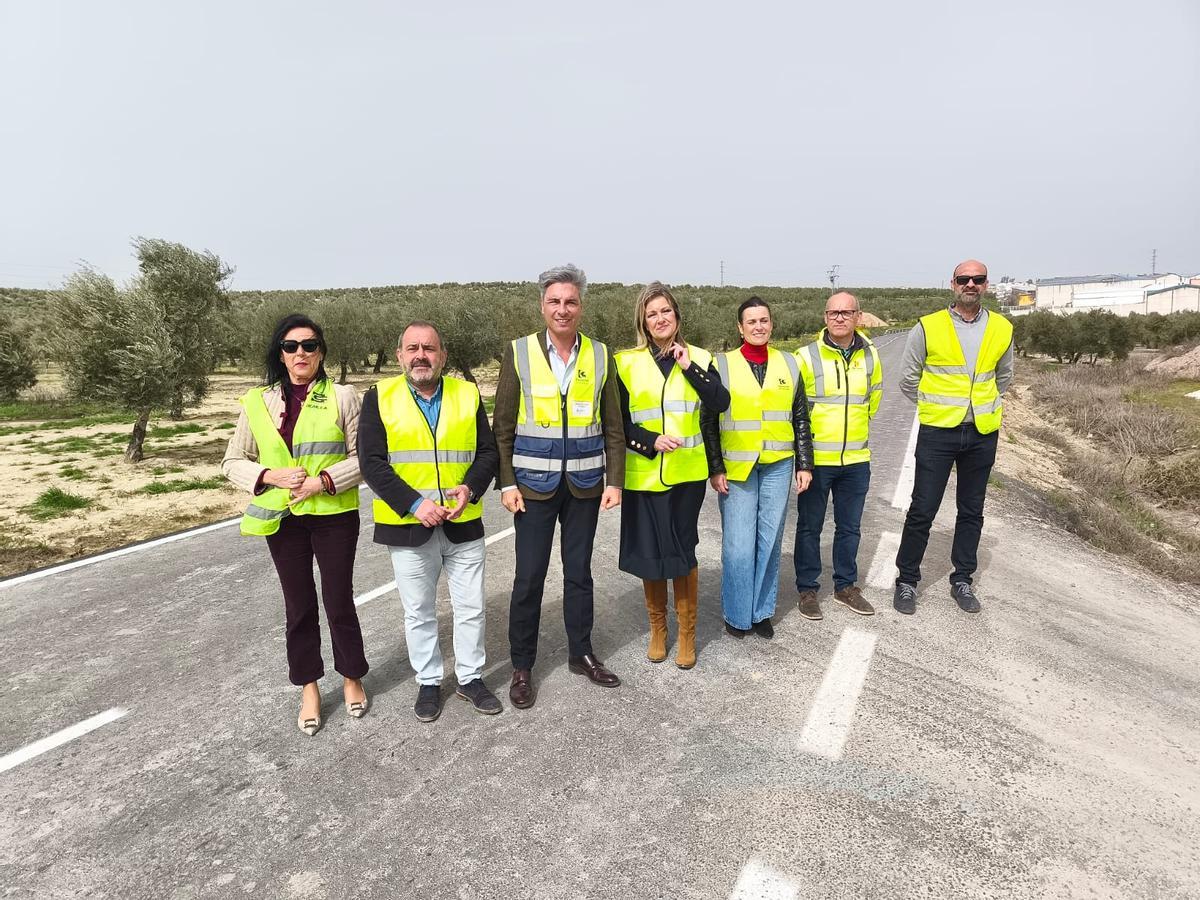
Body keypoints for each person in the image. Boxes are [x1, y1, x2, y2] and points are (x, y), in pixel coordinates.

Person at [222, 313, 368, 737]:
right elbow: (232, 461)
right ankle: (309, 687)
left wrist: (324, 481)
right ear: (280, 354)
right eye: (291, 346)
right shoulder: (257, 402)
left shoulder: (343, 397)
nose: (300, 353)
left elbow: (363, 458)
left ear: (321, 353)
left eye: (309, 345)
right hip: (282, 519)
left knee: (339, 600)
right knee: (298, 606)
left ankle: (352, 676)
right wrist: (270, 476)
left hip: (334, 516)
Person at [493, 263, 625, 709]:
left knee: (579, 576)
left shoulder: (601, 355)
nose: (562, 309)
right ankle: (522, 666)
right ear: (542, 305)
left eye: (570, 301)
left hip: (586, 485)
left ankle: (581, 653)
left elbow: (614, 426)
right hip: (531, 487)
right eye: (554, 301)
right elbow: (503, 426)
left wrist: (615, 481)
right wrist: (506, 482)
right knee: (528, 578)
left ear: (581, 306)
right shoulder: (519, 352)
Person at [357, 321, 501, 722]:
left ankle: (470, 678)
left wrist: (470, 488)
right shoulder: (379, 397)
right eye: (413, 348)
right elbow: (371, 462)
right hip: (408, 526)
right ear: (400, 354)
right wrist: (415, 504)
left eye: (430, 348)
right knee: (418, 610)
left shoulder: (467, 393)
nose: (421, 355)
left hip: (463, 521)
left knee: (471, 607)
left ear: (443, 356)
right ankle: (429, 681)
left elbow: (487, 453)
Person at [615, 282, 730, 669]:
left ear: (676, 316)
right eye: (652, 314)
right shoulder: (625, 363)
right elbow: (615, 423)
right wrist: (649, 440)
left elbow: (720, 401)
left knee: (682, 552)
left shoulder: (698, 356)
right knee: (651, 554)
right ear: (643, 322)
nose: (660, 318)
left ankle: (686, 634)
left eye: (666, 311)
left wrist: (687, 365)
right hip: (644, 474)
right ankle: (658, 629)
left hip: (687, 475)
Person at [893, 259, 1014, 615]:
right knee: (922, 509)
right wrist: (935, 407)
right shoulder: (928, 327)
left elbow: (1003, 378)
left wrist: (980, 407)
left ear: (987, 285)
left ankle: (962, 579)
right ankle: (906, 581)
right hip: (938, 432)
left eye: (978, 279)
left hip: (981, 433)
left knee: (971, 510)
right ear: (953, 284)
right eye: (965, 279)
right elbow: (907, 379)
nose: (971, 284)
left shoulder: (1003, 328)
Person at [701, 297, 814, 638]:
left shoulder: (790, 364)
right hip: (737, 468)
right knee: (738, 544)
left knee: (769, 540)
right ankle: (737, 615)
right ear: (740, 327)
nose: (759, 326)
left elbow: (800, 418)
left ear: (772, 324)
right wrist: (715, 467)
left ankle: (761, 611)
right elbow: (708, 420)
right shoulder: (720, 364)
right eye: (751, 321)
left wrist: (804, 464)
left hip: (778, 465)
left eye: (764, 320)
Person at [793, 292, 883, 620]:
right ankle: (807, 589)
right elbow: (796, 407)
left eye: (846, 312)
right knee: (809, 526)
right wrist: (803, 456)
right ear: (825, 317)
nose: (840, 318)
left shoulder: (871, 356)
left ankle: (845, 586)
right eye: (834, 313)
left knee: (850, 527)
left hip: (856, 459)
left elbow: (873, 399)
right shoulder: (806, 356)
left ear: (858, 316)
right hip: (817, 460)